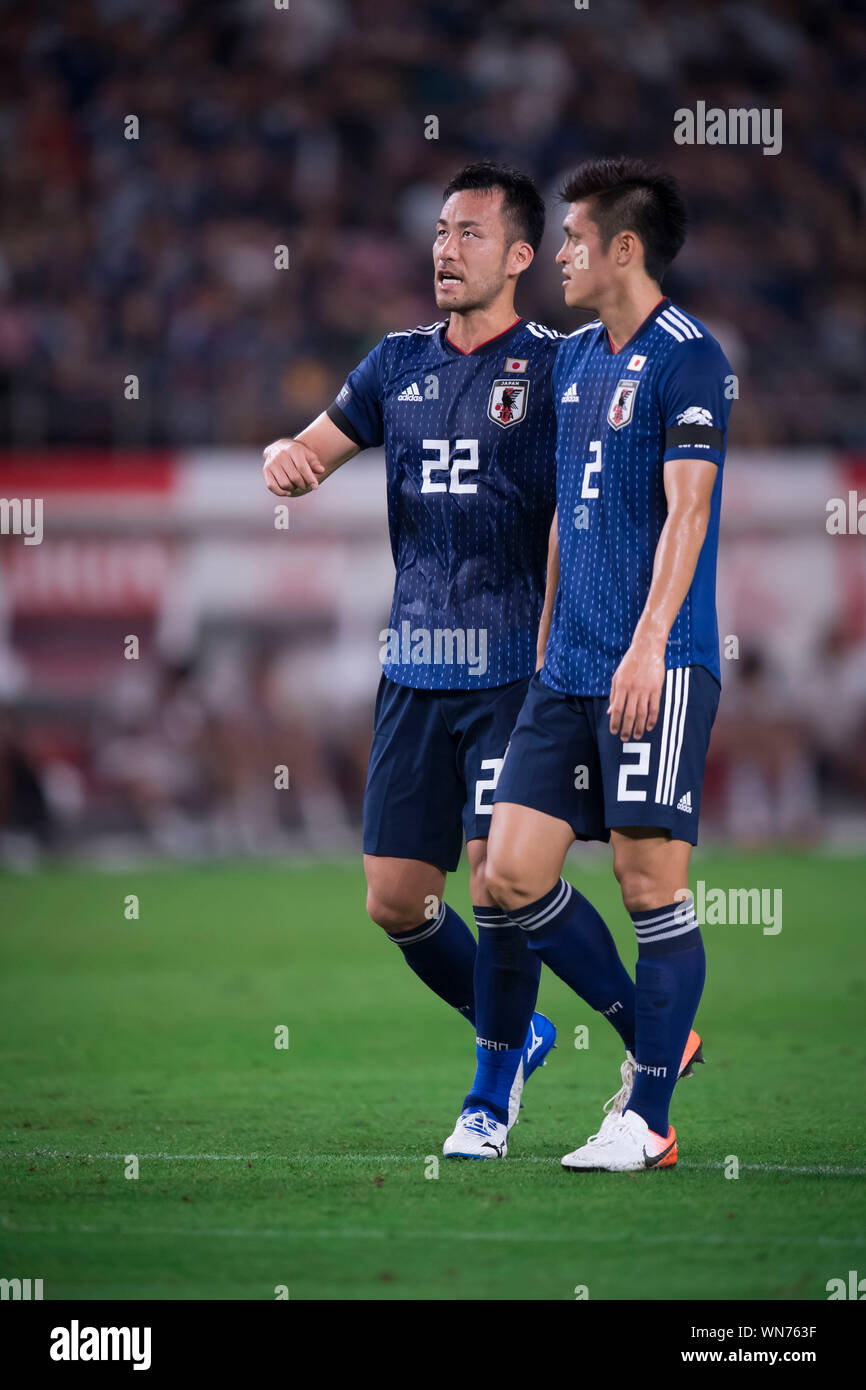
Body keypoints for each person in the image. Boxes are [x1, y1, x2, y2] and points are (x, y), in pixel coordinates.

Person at [263, 162, 566, 1153]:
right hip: (413, 666)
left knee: (495, 881)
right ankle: (521, 1035)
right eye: (439, 231)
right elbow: (314, 450)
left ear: (519, 256)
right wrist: (288, 461)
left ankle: (485, 1099)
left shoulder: (556, 368)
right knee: (396, 899)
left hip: (511, 670)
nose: (444, 247)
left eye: (469, 233)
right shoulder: (394, 363)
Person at [448, 156, 732, 1170]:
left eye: (570, 238)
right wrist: (543, 637)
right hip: (562, 668)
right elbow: (570, 511)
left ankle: (645, 1117)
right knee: (507, 875)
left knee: (646, 880)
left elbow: (687, 512)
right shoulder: (570, 360)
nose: (557, 253)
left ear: (621, 246)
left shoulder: (690, 359)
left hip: (657, 661)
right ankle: (655, 1038)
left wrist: (648, 644)